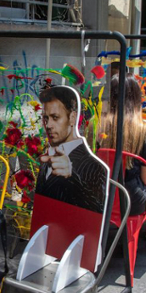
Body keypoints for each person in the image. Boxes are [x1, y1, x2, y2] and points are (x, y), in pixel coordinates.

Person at [100, 74, 146, 226]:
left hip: (100, 197)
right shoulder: (143, 129)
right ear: (137, 98)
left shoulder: (96, 126)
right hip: (131, 200)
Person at [36, 85, 107, 214]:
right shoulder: (48, 156)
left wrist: (72, 177)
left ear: (73, 118)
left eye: (55, 117)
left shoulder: (93, 165)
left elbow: (96, 214)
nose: (48, 125)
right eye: (46, 118)